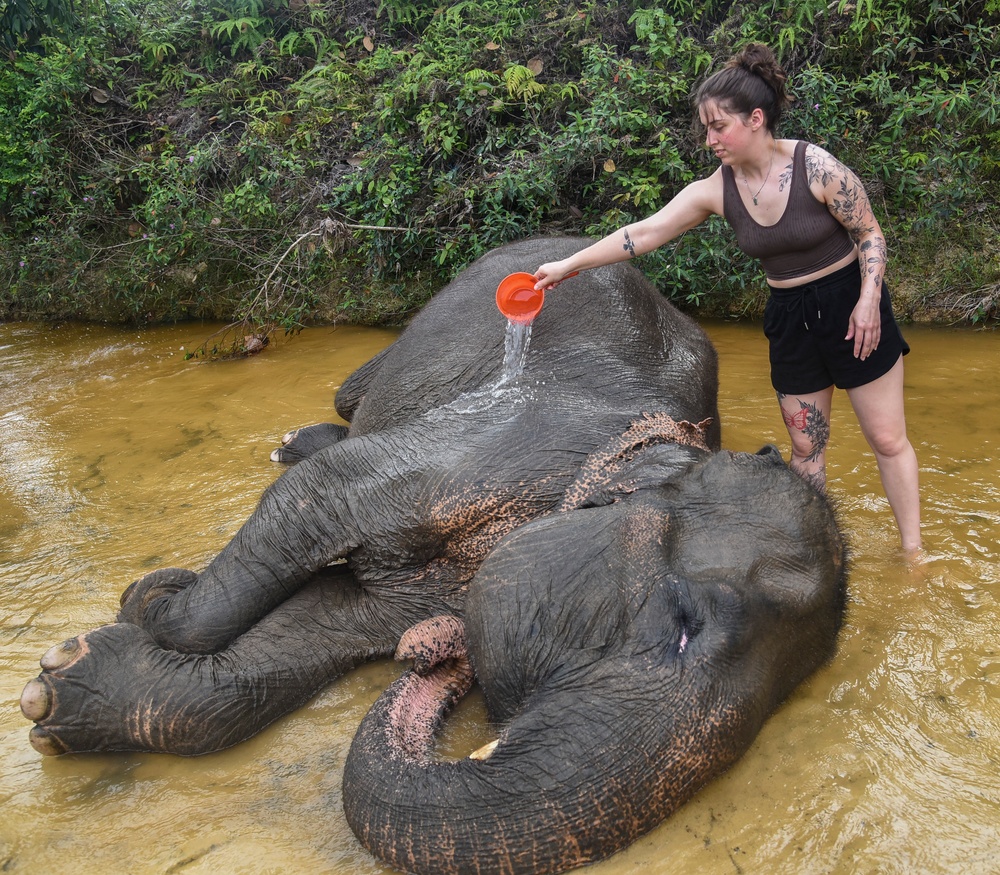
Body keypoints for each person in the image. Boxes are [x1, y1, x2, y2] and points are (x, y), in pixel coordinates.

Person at [534, 43, 921, 553]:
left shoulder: (816, 168)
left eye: (719, 126)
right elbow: (644, 233)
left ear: (755, 119)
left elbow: (870, 234)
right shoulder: (716, 190)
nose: (709, 138)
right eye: (706, 127)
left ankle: (914, 553)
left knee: (888, 441)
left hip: (852, 307)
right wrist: (569, 265)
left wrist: (870, 298)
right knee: (806, 449)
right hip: (789, 319)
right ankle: (813, 558)